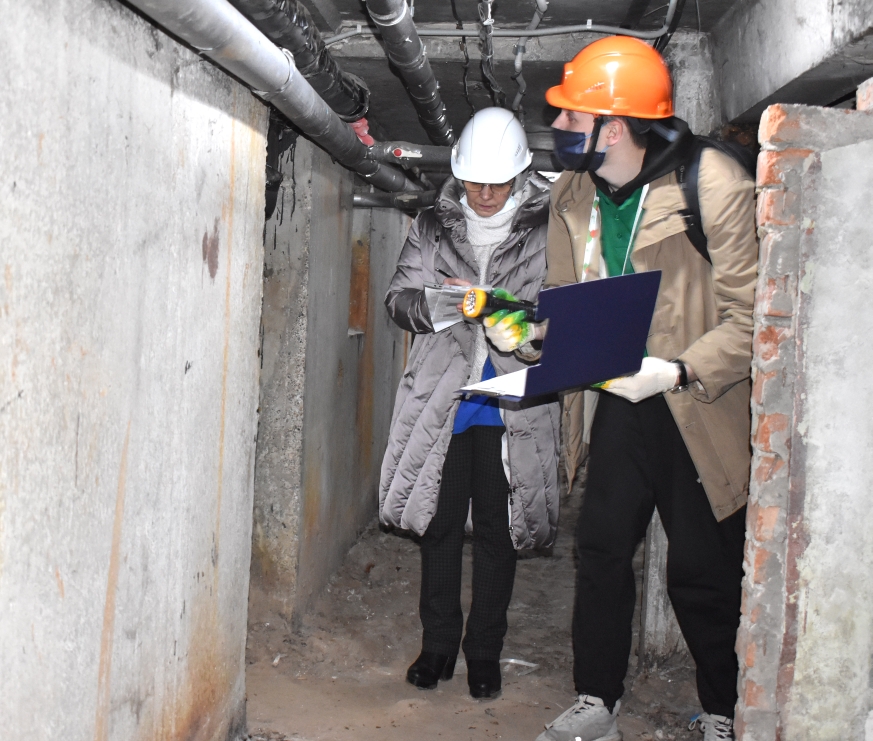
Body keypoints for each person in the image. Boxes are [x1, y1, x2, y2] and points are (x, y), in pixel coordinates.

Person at [485, 37, 756, 741]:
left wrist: (678, 369)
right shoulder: (572, 194)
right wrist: (524, 334)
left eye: (571, 116)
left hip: (696, 403)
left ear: (613, 127)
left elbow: (755, 316)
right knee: (601, 550)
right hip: (616, 401)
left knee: (701, 569)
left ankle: (724, 709)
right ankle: (597, 702)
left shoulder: (712, 182)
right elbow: (564, 304)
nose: (558, 127)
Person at [379, 107, 560, 701]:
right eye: (475, 182)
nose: (485, 194)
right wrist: (447, 304)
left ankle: (483, 651)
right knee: (439, 523)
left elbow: (559, 314)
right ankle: (437, 646)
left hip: (512, 402)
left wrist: (497, 305)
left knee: (497, 532)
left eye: (498, 183)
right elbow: (398, 300)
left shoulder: (547, 226)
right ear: (459, 174)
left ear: (520, 175)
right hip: (444, 397)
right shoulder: (434, 223)